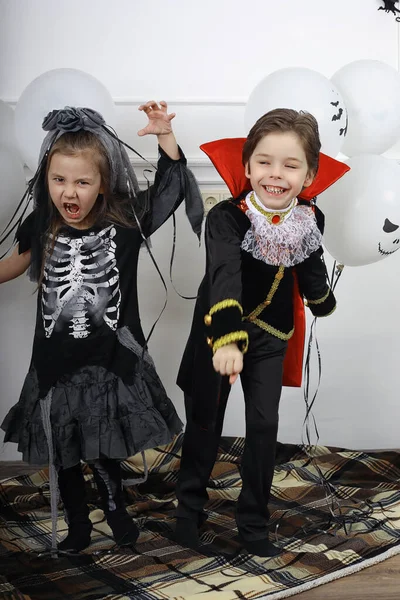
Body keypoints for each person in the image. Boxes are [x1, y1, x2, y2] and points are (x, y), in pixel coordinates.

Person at [0, 101, 203, 553]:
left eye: (82, 182)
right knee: (64, 452)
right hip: (54, 364)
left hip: (109, 359)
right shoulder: (43, 223)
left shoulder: (125, 218)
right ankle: (78, 524)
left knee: (102, 445)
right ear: (46, 180)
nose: (68, 192)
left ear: (103, 183)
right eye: (58, 180)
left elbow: (170, 189)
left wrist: (165, 136)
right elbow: (12, 265)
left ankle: (116, 512)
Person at [175, 108, 337, 557]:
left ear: (309, 174)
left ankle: (253, 523)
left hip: (270, 334)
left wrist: (322, 298)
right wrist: (225, 340)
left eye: (291, 165)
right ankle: (188, 512)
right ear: (247, 167)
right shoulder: (227, 217)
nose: (276, 174)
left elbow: (308, 263)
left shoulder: (309, 218)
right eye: (264, 162)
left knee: (264, 425)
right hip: (218, 332)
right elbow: (224, 273)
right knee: (206, 421)